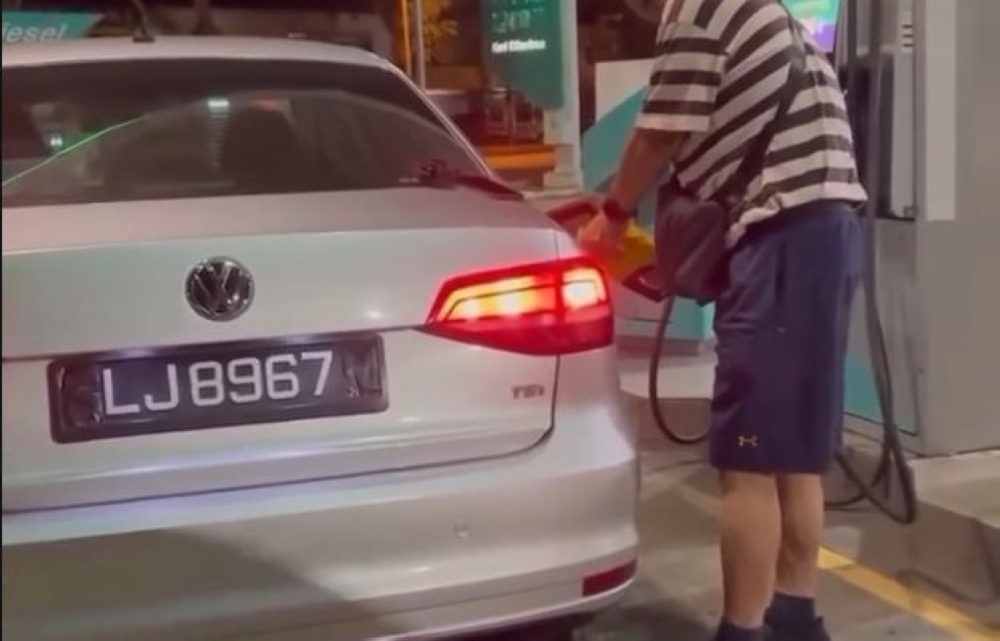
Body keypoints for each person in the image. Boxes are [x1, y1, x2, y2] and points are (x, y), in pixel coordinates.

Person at [578, 1, 867, 640]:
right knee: (796, 455)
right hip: (824, 230)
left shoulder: (697, 12)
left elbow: (657, 134)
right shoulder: (758, 8)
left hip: (782, 238)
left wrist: (615, 214)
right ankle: (794, 617)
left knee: (749, 460)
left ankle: (742, 631)